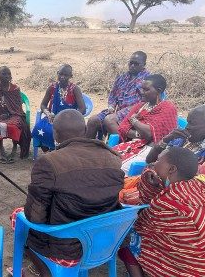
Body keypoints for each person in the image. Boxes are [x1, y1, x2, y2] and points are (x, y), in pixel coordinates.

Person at [11, 109, 123, 277]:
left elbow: (36, 217)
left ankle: (44, 270)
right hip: (104, 241)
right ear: (85, 130)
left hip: (66, 249)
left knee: (19, 219)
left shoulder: (48, 162)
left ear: (55, 135)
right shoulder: (113, 157)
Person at [118, 147, 205, 277]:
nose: (154, 164)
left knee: (128, 238)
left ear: (172, 169)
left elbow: (141, 224)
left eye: (158, 160)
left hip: (194, 271)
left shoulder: (167, 202)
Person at [112, 74, 177, 173]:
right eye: (141, 89)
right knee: (105, 161)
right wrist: (139, 133)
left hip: (152, 151)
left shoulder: (167, 108)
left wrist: (134, 121)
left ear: (158, 91)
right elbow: (123, 128)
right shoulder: (140, 106)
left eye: (146, 90)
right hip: (133, 144)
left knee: (117, 169)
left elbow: (150, 133)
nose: (141, 92)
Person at [86, 51, 150, 139]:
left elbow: (146, 102)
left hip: (135, 112)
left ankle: (122, 148)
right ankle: (87, 147)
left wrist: (125, 112)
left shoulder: (148, 80)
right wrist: (111, 106)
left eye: (136, 64)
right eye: (131, 63)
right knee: (93, 121)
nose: (132, 66)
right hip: (118, 111)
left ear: (144, 65)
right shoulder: (122, 78)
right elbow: (113, 95)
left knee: (109, 120)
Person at [31, 64, 86, 152]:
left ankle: (59, 152)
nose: (62, 77)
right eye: (60, 74)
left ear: (70, 76)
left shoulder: (75, 89)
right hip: (53, 118)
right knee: (39, 128)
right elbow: (43, 105)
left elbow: (82, 109)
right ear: (57, 73)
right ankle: (49, 152)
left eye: (65, 75)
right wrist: (48, 113)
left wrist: (72, 118)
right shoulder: (52, 87)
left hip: (69, 120)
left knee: (65, 133)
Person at [0, 66, 31, 163]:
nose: (7, 76)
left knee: (14, 126)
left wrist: (9, 113)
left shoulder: (15, 89)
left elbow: (18, 107)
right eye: (4, 74)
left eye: (9, 74)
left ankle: (14, 147)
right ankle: (1, 148)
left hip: (14, 114)